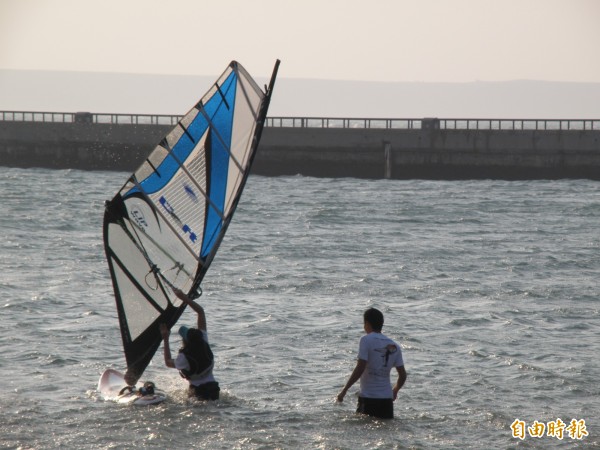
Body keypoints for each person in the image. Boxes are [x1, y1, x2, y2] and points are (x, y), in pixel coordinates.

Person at [337, 307, 407, 419]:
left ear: (367, 324)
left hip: (369, 397)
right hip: (387, 400)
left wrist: (344, 390)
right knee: (385, 433)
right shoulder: (395, 346)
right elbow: (403, 375)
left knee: (364, 433)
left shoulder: (366, 340)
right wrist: (395, 390)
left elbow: (360, 367)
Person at [159, 288, 220, 400]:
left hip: (198, 393)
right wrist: (184, 298)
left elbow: (168, 362)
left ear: (185, 341)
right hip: (214, 390)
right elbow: (200, 311)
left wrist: (165, 338)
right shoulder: (203, 340)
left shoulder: (184, 358)